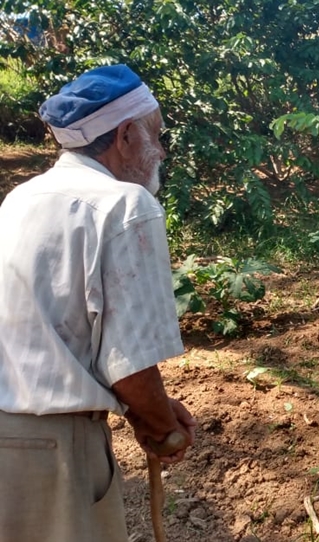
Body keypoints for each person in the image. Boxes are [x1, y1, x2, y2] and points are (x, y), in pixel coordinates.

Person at [0, 64, 196, 541]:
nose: (162, 150)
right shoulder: (126, 204)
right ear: (126, 135)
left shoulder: (20, 198)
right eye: (156, 134)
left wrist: (151, 410)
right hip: (52, 450)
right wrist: (159, 424)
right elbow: (128, 362)